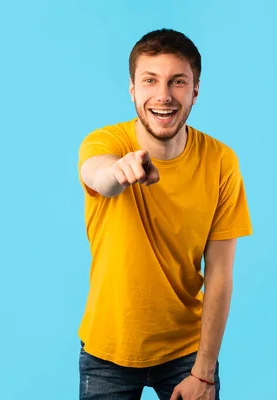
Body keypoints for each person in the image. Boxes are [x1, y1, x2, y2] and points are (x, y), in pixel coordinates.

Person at [76, 28, 252, 400]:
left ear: (195, 91)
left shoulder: (221, 163)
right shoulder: (106, 143)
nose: (163, 95)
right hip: (109, 350)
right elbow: (97, 174)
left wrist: (203, 374)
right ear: (132, 89)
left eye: (177, 82)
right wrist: (120, 171)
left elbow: (219, 275)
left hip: (187, 354)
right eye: (150, 80)